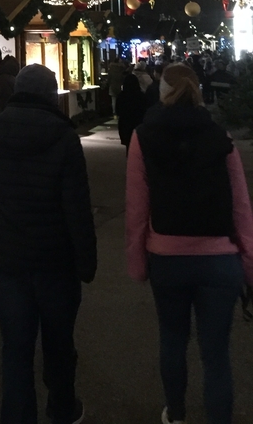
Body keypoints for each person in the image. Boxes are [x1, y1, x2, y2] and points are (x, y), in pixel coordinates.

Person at [127, 63, 253, 424]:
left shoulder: (143, 136)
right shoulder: (219, 135)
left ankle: (177, 414)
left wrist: (137, 261)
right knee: (216, 355)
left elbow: (137, 208)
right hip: (219, 259)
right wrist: (248, 262)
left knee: (172, 340)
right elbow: (240, 206)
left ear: (162, 91)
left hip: (167, 256)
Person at [0, 64, 96, 424]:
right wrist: (86, 259)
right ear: (50, 94)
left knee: (15, 348)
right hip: (56, 256)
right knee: (59, 342)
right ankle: (62, 408)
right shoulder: (63, 135)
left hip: (13, 255)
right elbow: (76, 205)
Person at [116, 72, 151, 152]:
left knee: (128, 145)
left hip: (125, 123)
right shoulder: (141, 96)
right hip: (138, 122)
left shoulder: (121, 96)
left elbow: (118, 111)